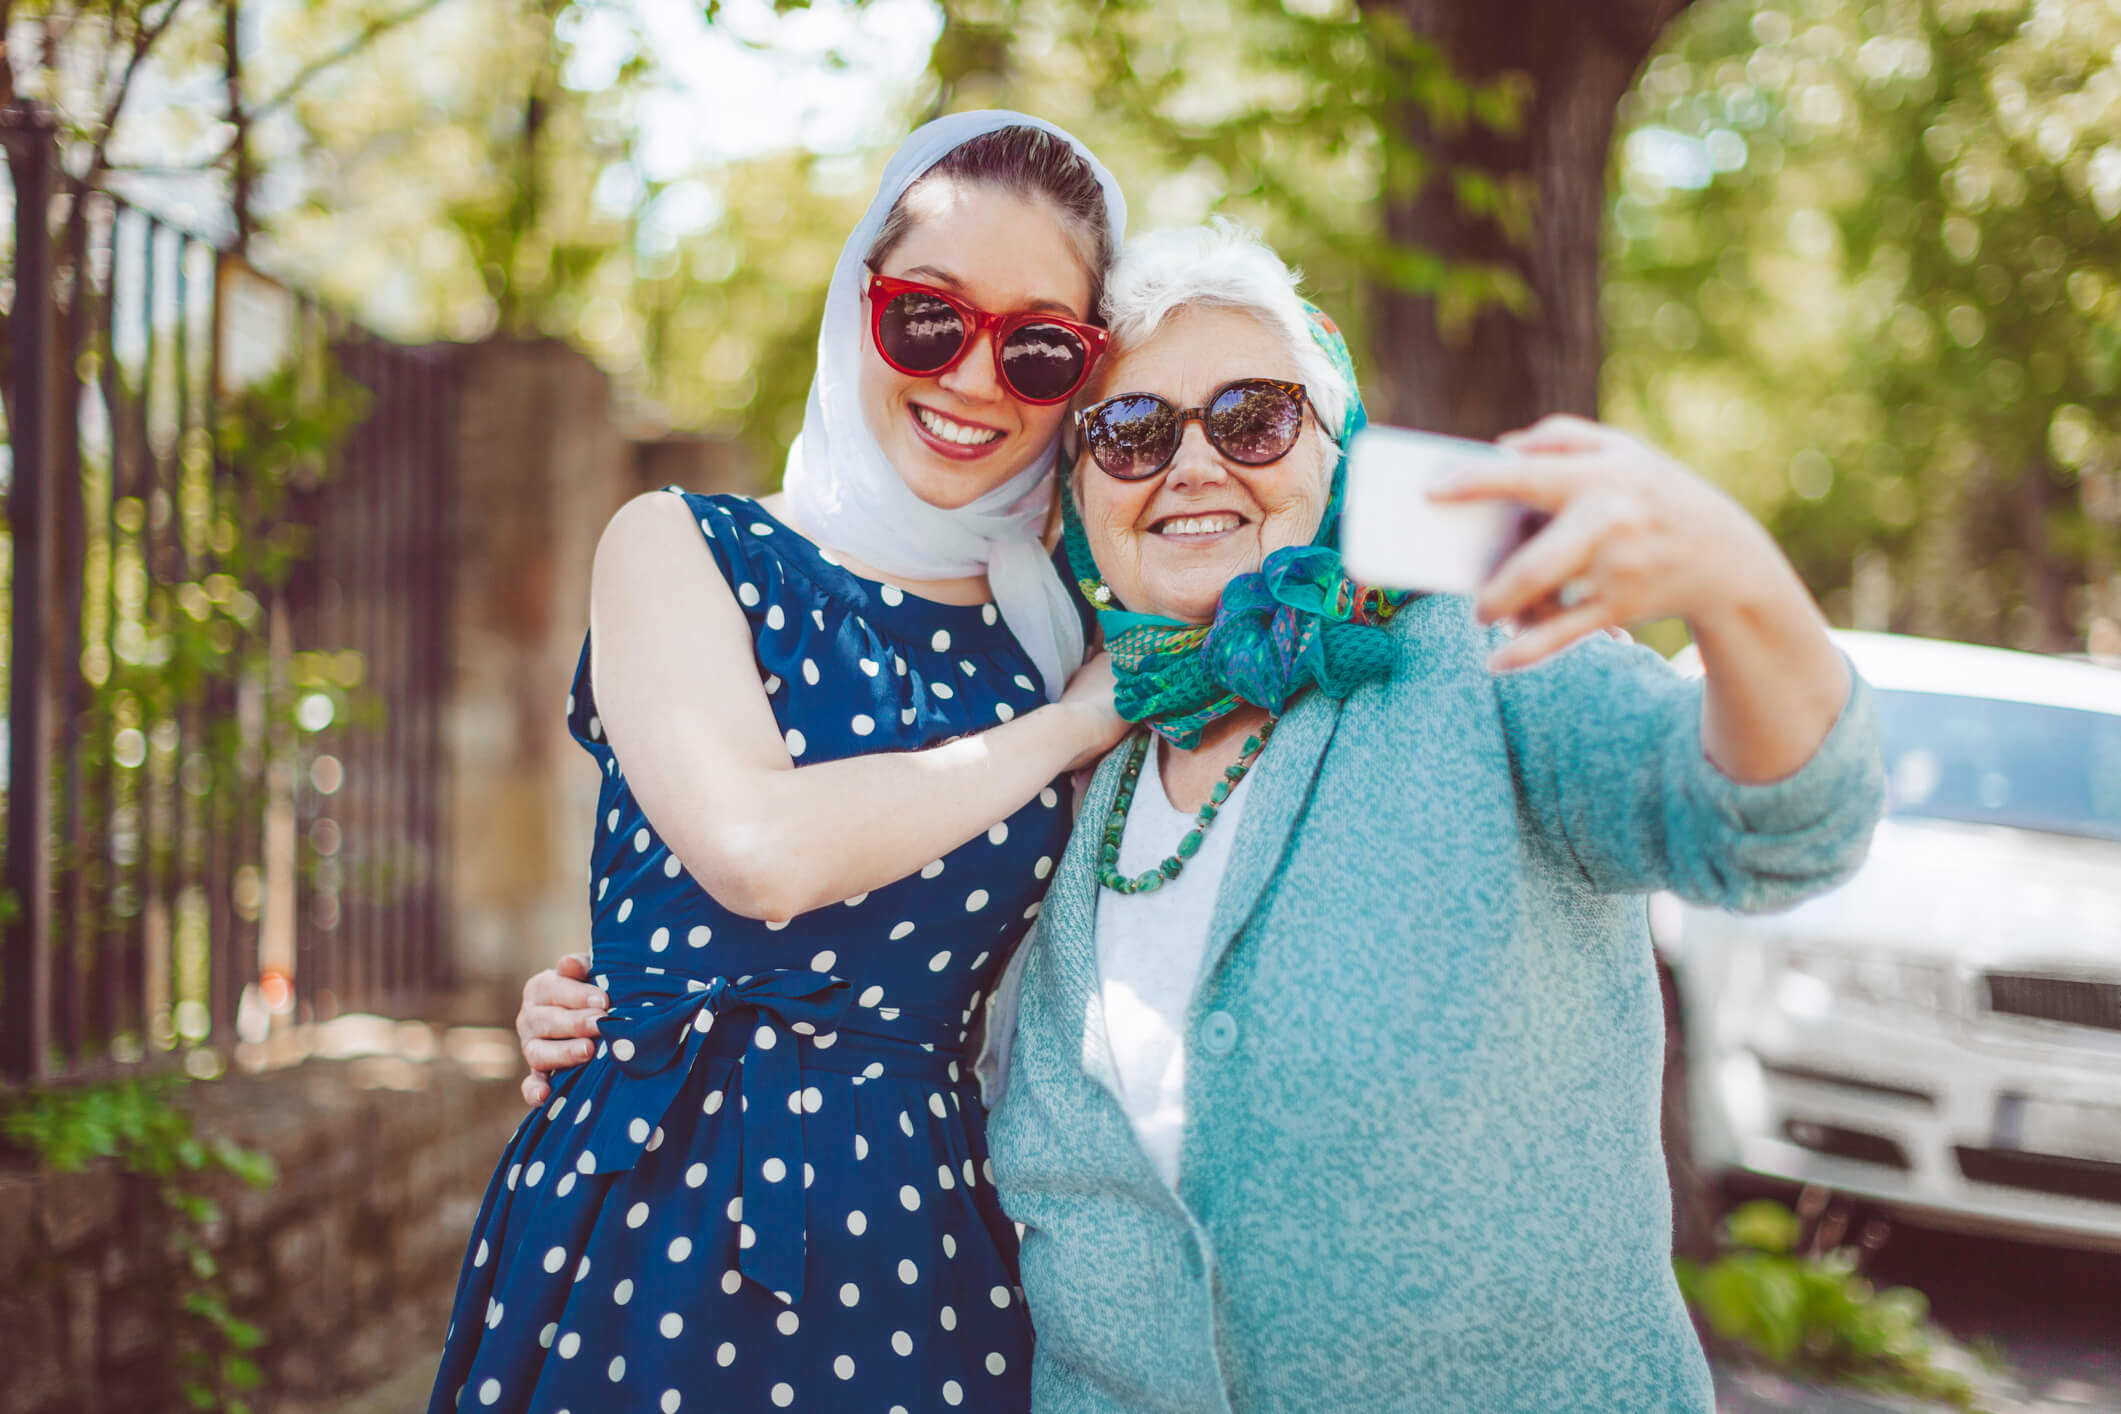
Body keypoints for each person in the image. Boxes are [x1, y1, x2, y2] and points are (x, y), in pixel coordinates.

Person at [517, 220, 1883, 1412]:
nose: (1191, 465)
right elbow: (877, 963)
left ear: (1333, 445)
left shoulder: (1476, 664)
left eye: (1253, 416)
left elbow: (1776, 821)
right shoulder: (1065, 752)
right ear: (1071, 498)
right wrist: (617, 1004)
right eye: (1127, 431)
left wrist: (1735, 584)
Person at [427, 111, 1131, 1414]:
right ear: (860, 296)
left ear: (1084, 374)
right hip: (651, 1217)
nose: (974, 376)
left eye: (1037, 344)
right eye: (929, 317)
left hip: (921, 1243)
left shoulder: (1066, 635)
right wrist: (1074, 726)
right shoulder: (682, 548)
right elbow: (755, 853)